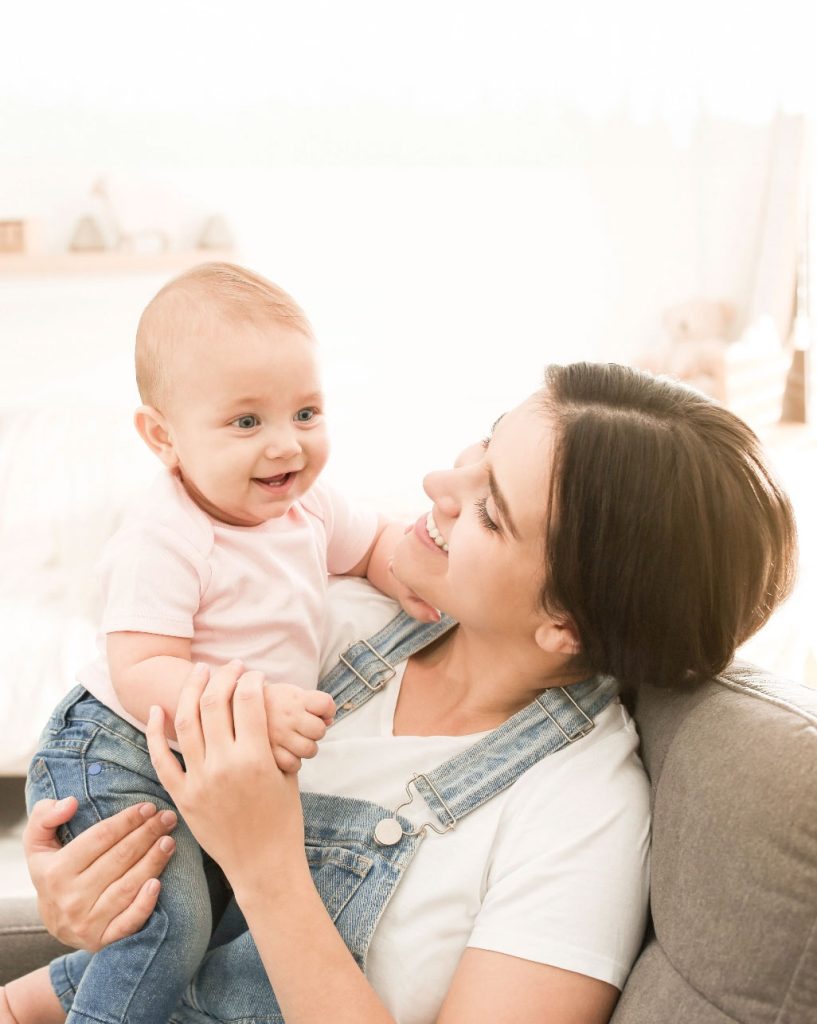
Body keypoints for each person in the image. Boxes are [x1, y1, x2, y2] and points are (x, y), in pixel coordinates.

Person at [4, 363, 797, 1024]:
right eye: (483, 445)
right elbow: (121, 747)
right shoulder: (325, 617)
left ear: (565, 621)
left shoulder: (581, 812)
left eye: (488, 510)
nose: (435, 484)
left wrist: (268, 868)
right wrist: (83, 894)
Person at [7, 263, 426, 1024]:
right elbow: (142, 672)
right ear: (162, 437)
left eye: (306, 412)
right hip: (119, 746)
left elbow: (376, 545)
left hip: (202, 760)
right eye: (246, 422)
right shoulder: (167, 535)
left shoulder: (311, 509)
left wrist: (410, 572)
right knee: (163, 924)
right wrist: (254, 709)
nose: (285, 446)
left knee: (215, 932)